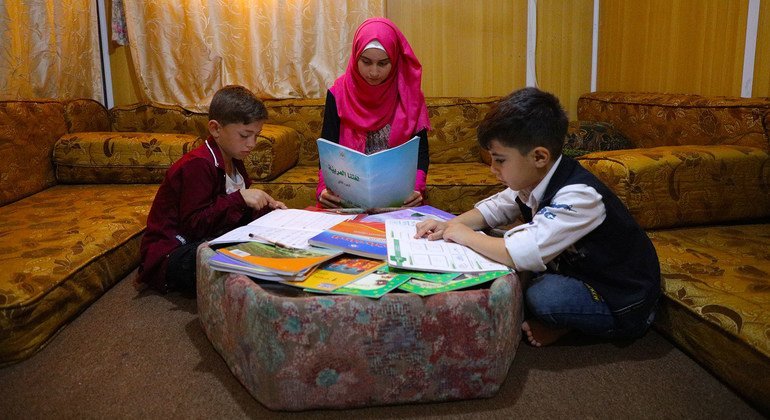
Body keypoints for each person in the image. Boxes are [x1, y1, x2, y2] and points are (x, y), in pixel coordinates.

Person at [415, 87, 660, 347]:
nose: (493, 169)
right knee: (494, 239)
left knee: (544, 296)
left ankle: (572, 327)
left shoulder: (580, 197)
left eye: (500, 160)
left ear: (539, 157)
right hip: (576, 269)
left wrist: (464, 235)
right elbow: (496, 208)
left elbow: (517, 253)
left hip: (622, 297)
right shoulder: (534, 179)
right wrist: (451, 225)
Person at [138, 85, 286, 293]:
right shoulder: (197, 165)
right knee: (236, 256)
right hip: (174, 252)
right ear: (216, 129)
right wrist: (240, 198)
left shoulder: (234, 159)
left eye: (256, 135)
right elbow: (194, 225)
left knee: (266, 242)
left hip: (208, 238)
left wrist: (268, 210)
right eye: (244, 135)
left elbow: (233, 212)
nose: (252, 144)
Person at [317, 17, 431, 209]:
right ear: (355, 56)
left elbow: (420, 150)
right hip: (347, 193)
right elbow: (328, 146)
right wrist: (323, 188)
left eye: (383, 63)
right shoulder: (338, 93)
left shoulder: (409, 94)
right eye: (366, 62)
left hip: (398, 196)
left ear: (394, 61)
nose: (374, 72)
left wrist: (417, 188)